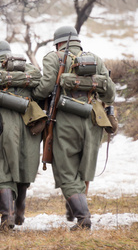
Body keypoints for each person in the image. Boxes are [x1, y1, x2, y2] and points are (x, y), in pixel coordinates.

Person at [32, 26, 116, 230]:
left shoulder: (53, 58)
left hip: (66, 120)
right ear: (78, 41)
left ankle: (82, 217)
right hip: (94, 121)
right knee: (83, 168)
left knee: (66, 171)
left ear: (58, 43)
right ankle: (77, 209)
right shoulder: (95, 59)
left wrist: (32, 95)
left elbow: (44, 89)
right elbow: (110, 95)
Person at [0, 40, 44, 231]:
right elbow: (41, 90)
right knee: (24, 165)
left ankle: (8, 217)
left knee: (2, 172)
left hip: (1, 121)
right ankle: (20, 214)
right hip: (30, 120)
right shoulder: (29, 68)